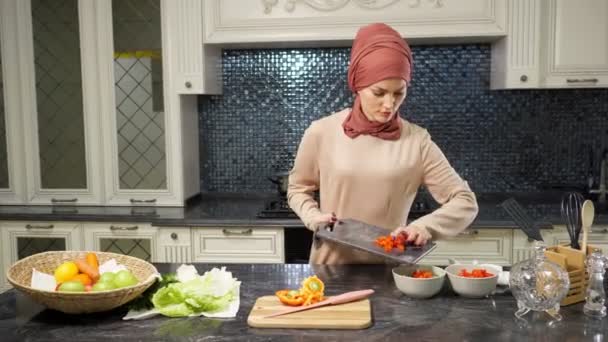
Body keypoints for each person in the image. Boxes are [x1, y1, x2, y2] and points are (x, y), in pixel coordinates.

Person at [287, 23, 479, 265]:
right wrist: (312, 215)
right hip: (330, 267)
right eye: (379, 93)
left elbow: (465, 201)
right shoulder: (321, 132)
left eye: (399, 93)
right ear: (357, 86)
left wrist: (425, 227)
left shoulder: (417, 141)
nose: (389, 104)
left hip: (391, 272)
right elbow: (297, 189)